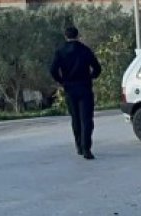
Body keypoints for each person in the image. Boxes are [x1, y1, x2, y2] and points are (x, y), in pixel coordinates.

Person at [50, 26, 102, 160]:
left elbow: (53, 70)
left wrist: (62, 81)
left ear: (65, 36)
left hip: (70, 88)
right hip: (85, 87)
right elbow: (97, 68)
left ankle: (79, 146)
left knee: (75, 118)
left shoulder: (60, 51)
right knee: (86, 119)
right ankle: (86, 149)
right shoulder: (85, 50)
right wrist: (91, 77)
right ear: (78, 36)